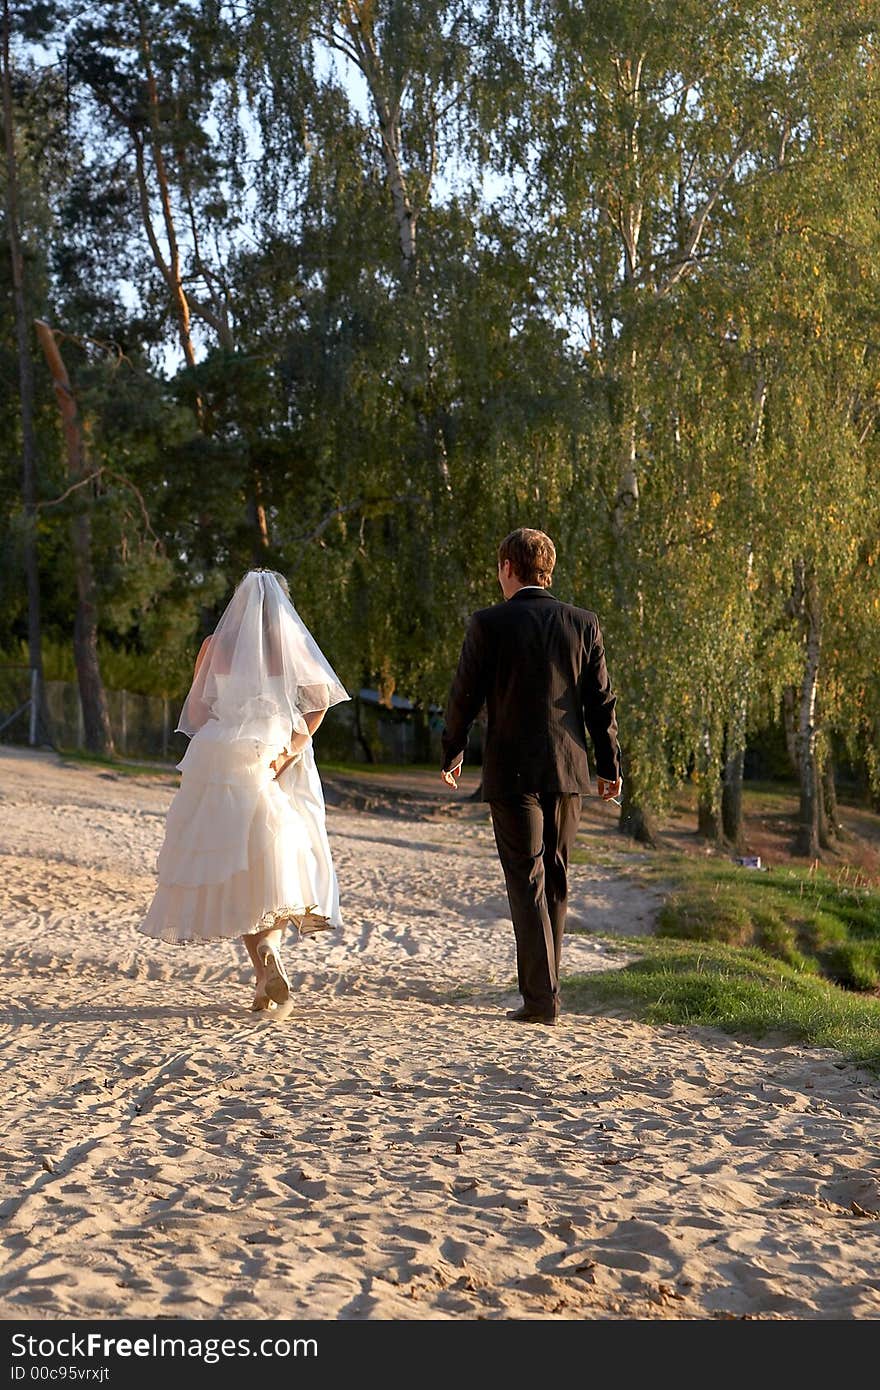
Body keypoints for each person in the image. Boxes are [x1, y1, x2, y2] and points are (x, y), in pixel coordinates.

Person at [139, 568, 349, 1011]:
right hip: (272, 751)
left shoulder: (213, 648)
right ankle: (267, 958)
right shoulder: (288, 646)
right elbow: (320, 702)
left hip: (219, 755)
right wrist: (290, 748)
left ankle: (262, 971)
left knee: (237, 866)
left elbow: (196, 710)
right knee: (269, 861)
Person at [440, 528, 621, 1025]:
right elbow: (600, 703)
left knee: (528, 880)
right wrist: (609, 765)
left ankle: (542, 1001)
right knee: (556, 878)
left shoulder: (488, 624)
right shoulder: (583, 624)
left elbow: (464, 695)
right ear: (548, 569)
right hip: (568, 770)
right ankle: (546, 993)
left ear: (506, 568)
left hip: (512, 769)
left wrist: (453, 749)